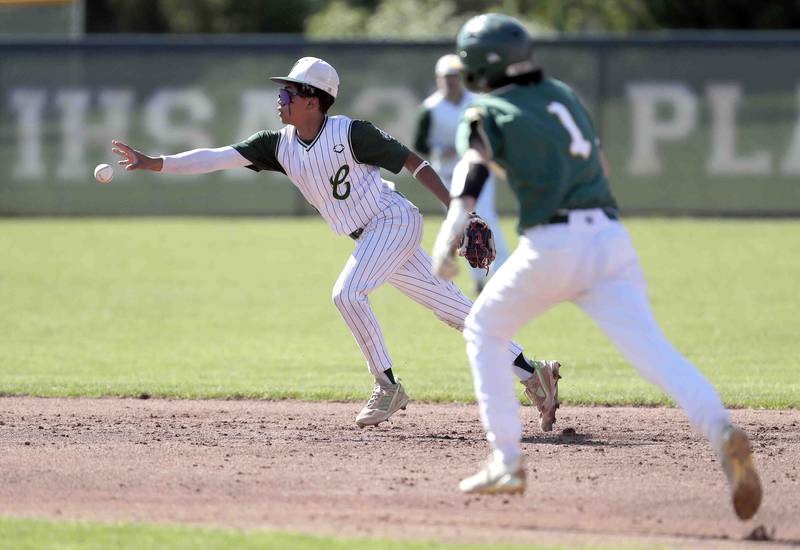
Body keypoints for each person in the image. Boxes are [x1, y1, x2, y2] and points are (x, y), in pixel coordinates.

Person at [111, 56, 561, 431]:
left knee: (347, 293)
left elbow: (413, 163)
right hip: (374, 238)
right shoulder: (278, 145)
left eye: (289, 91)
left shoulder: (352, 133)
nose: (280, 98)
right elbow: (214, 158)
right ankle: (532, 371)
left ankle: (387, 386)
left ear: (313, 100)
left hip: (393, 221)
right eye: (283, 90)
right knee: (455, 312)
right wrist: (155, 162)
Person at [431, 14, 762, 520]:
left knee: (482, 328)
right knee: (654, 351)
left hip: (553, 242)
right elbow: (600, 166)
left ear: (477, 64)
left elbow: (473, 168)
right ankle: (721, 431)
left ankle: (507, 460)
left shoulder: (486, 109)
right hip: (610, 239)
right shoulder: (563, 94)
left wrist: (450, 231)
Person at [414, 54, 510, 294]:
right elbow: (420, 144)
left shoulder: (477, 102)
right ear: (438, 79)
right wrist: (440, 149)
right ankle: (480, 278)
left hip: (477, 172)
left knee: (484, 218)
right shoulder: (430, 108)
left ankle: (503, 276)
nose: (451, 82)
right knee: (467, 227)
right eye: (447, 77)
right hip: (448, 174)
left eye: (455, 77)